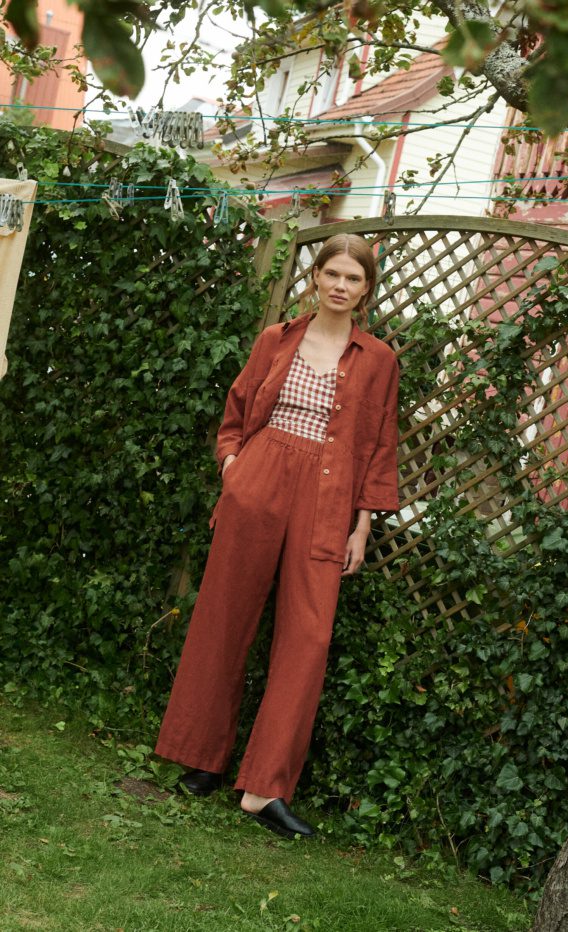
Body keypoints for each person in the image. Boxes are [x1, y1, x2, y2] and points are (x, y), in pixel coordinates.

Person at [155, 233, 400, 839]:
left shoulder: (378, 359)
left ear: (366, 290)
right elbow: (237, 412)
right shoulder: (277, 340)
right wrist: (234, 467)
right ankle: (203, 757)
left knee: (308, 636)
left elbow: (379, 445)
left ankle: (263, 789)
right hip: (260, 479)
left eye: (354, 279)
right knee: (225, 615)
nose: (341, 287)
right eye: (333, 274)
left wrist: (363, 523)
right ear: (314, 277)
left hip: (327, 495)